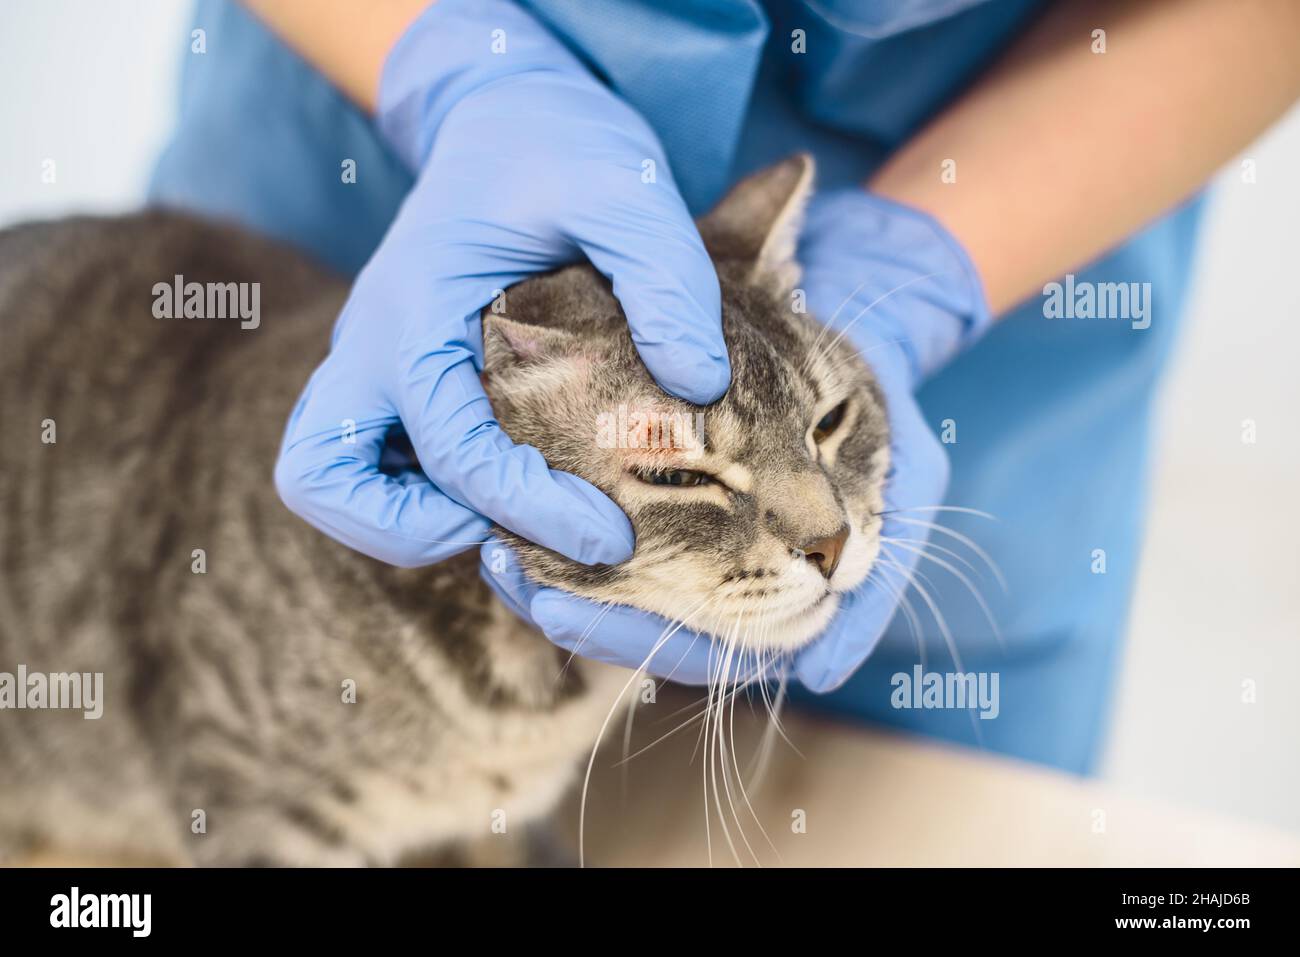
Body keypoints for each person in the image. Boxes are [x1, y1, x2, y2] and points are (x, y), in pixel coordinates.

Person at [151, 0, 1300, 774]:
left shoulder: (839, 482)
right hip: (376, 131)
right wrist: (454, 69)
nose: (821, 532)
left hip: (1021, 176)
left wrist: (922, 265)